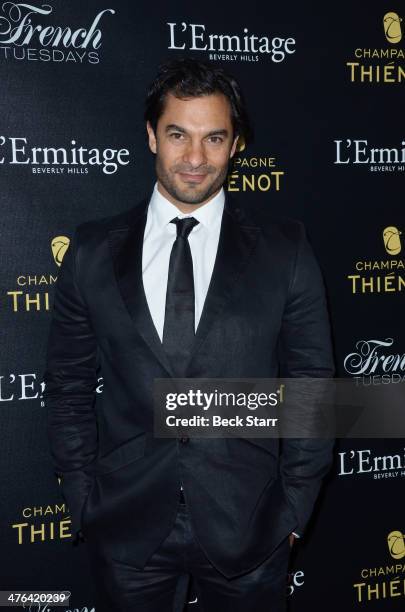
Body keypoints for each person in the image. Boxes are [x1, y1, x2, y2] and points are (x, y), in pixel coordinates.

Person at [43, 58, 335, 612]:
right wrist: (82, 499)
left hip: (250, 523)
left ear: (236, 145)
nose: (196, 158)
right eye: (179, 134)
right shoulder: (92, 250)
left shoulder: (286, 250)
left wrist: (295, 509)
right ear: (153, 135)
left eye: (214, 138)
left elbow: (313, 388)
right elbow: (68, 386)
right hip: (126, 526)